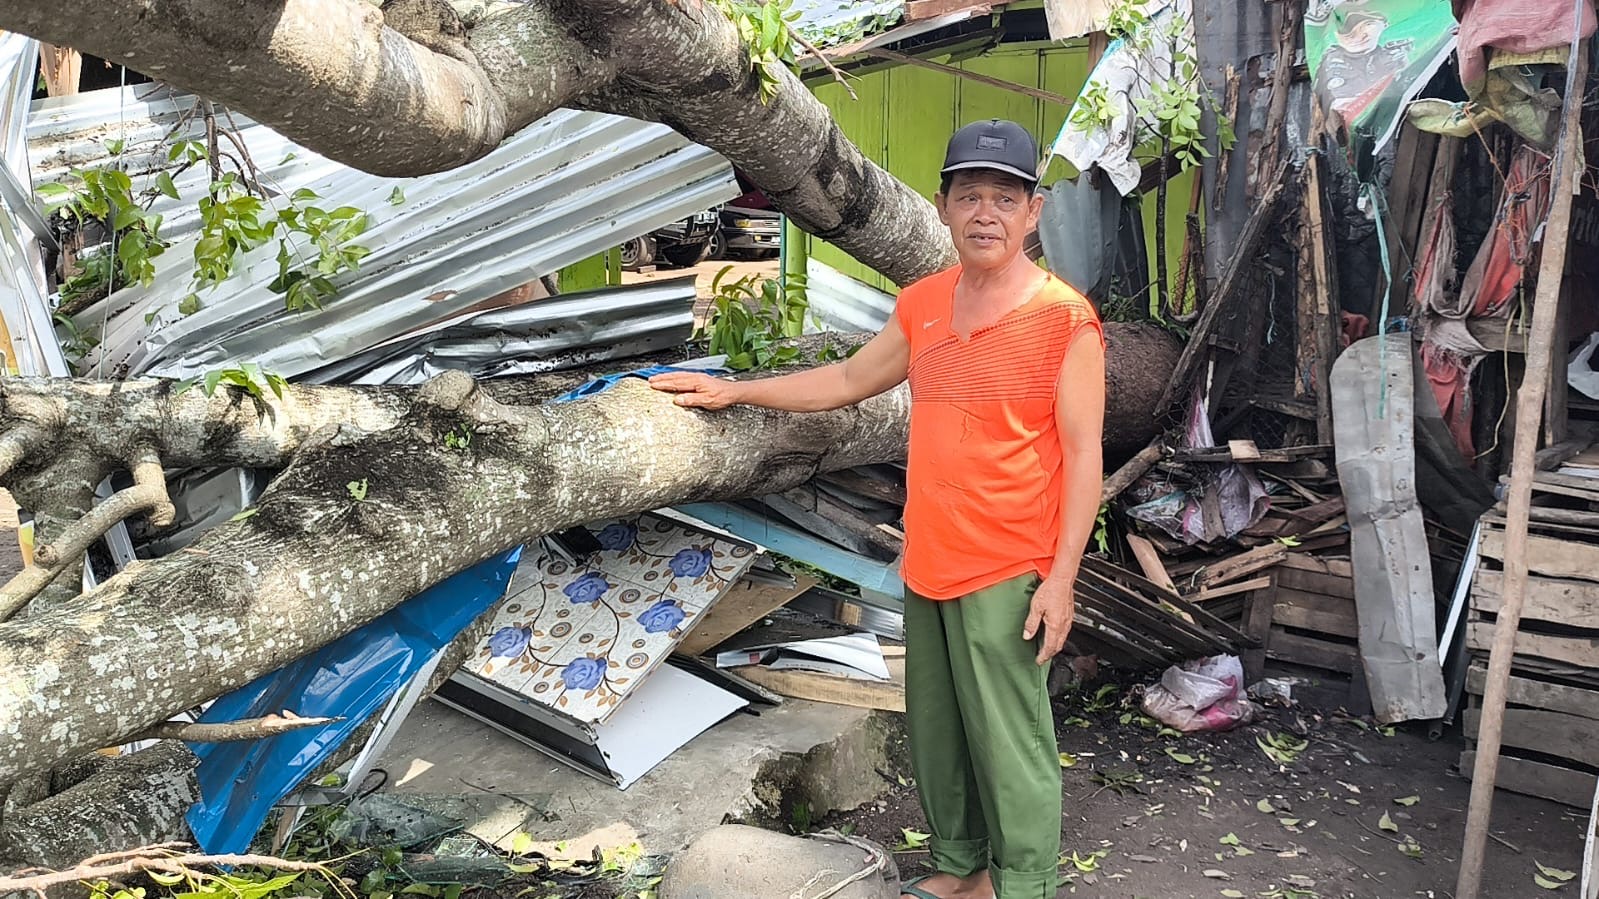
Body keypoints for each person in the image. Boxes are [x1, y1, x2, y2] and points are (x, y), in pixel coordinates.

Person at [651, 119, 1106, 899]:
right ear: (941, 208)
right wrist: (734, 389)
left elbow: (1085, 457)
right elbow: (844, 381)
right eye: (970, 197)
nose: (986, 213)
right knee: (938, 728)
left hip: (1008, 564)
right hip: (930, 556)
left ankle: (1021, 881)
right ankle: (960, 867)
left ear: (1032, 213)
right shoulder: (924, 303)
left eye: (1005, 197)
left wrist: (1060, 579)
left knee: (1009, 737)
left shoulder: (1065, 322)